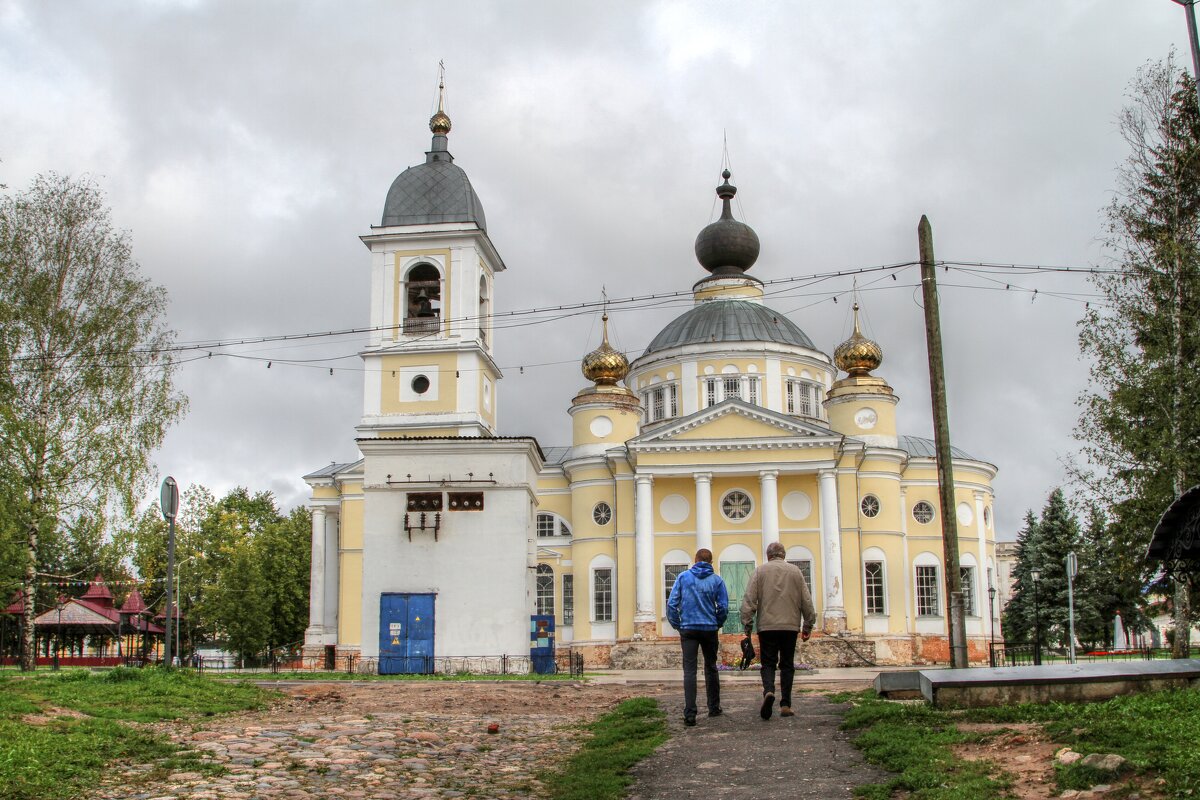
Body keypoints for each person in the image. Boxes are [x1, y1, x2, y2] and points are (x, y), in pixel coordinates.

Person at [740, 541, 816, 720]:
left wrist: (747, 625)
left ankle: (768, 691)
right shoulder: (796, 572)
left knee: (768, 663)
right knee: (787, 665)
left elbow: (749, 600)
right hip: (790, 627)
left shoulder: (760, 571)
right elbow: (807, 601)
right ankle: (786, 704)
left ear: (768, 556)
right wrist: (808, 625)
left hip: (767, 627)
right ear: (784, 555)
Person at [666, 548, 729, 727]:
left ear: (695, 560)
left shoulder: (684, 578)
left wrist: (677, 624)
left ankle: (690, 713)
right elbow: (723, 607)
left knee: (690, 671)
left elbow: (672, 604)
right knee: (711, 667)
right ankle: (714, 707)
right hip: (709, 628)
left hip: (688, 629)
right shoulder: (717, 580)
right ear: (711, 562)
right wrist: (717, 623)